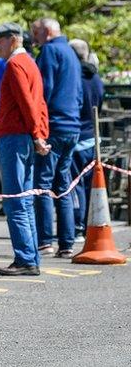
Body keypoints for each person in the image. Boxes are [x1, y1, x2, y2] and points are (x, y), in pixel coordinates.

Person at [0, 22, 50, 276]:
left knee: (15, 201)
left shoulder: (14, 65)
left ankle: (25, 258)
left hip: (15, 136)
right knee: (23, 201)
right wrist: (40, 135)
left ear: (13, 39)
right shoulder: (30, 63)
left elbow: (27, 103)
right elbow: (38, 103)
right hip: (24, 136)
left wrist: (37, 135)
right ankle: (30, 257)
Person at [31, 18, 82, 259]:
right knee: (63, 185)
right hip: (72, 125)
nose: (34, 37)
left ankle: (44, 241)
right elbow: (78, 92)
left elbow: (44, 90)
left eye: (36, 32)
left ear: (48, 32)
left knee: (43, 184)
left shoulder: (50, 51)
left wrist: (38, 127)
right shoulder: (71, 52)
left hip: (54, 125)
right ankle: (67, 241)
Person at [69, 39, 104, 241]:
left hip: (77, 135)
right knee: (93, 183)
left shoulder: (74, 79)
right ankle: (92, 222)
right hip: (93, 136)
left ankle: (78, 224)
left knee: (75, 184)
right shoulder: (96, 79)